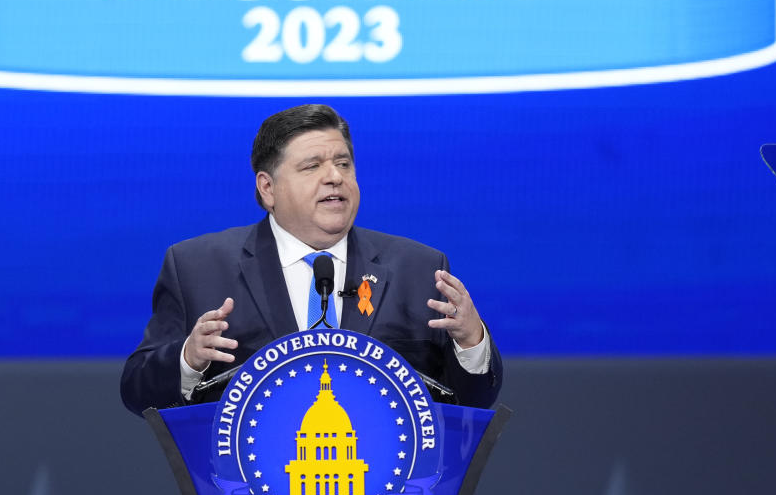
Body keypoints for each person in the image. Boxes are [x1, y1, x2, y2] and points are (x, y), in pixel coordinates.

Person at [121, 104, 502, 416]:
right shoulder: (197, 267)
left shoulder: (418, 269)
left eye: (344, 163)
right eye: (312, 166)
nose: (335, 177)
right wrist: (189, 359)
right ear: (267, 188)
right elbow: (138, 393)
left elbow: (471, 405)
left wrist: (471, 342)